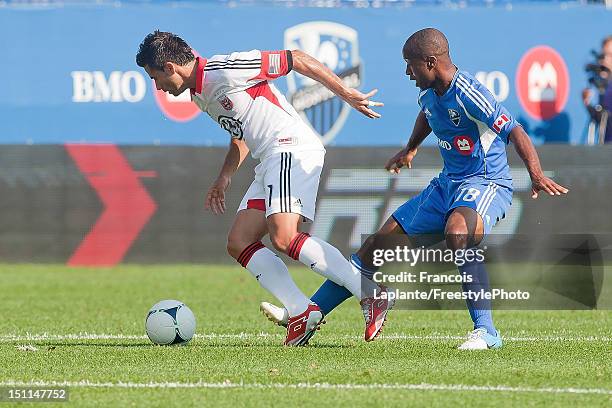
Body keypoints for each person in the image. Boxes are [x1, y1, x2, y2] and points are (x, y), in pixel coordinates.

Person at [260, 28, 569, 350]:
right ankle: (309, 313)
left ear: (431, 62)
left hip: (486, 181)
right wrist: (410, 149)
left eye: (411, 65)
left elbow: (515, 130)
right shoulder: (428, 93)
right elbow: (428, 114)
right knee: (372, 251)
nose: (407, 72)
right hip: (447, 184)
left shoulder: (470, 93)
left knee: (458, 234)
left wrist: (536, 174)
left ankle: (486, 332)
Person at [136, 31, 392, 346]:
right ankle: (301, 312)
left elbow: (296, 58)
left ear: (171, 67)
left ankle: (370, 293)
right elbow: (241, 134)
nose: (158, 87)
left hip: (289, 147)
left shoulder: (225, 69)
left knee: (283, 236)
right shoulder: (200, 94)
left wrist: (346, 93)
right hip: (269, 157)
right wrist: (225, 175)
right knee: (239, 241)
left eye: (155, 77)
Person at [582, 35, 612, 143]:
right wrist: (588, 104)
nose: (605, 60)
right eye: (603, 55)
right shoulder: (601, 85)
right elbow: (601, 118)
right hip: (605, 148)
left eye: (609, 55)